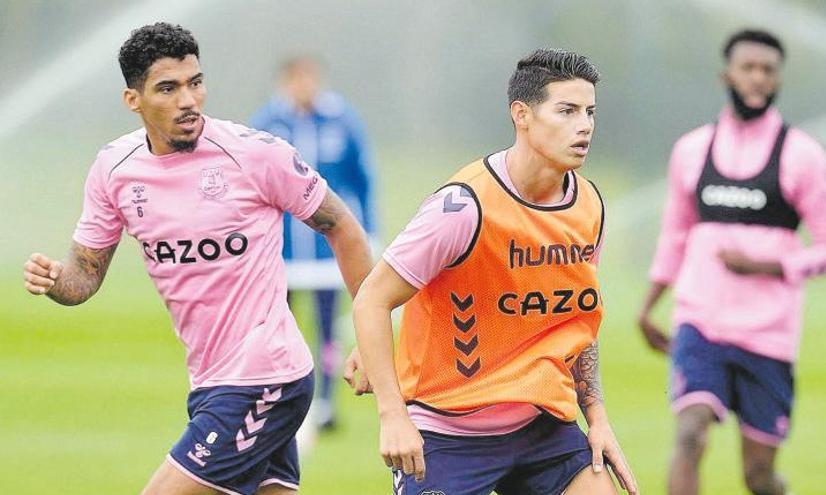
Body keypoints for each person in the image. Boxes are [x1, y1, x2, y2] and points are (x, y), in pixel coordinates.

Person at [21, 23, 372, 495]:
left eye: (195, 82)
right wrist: (56, 280)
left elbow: (342, 226)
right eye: (168, 88)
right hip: (210, 380)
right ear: (134, 100)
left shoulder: (254, 154)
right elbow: (84, 275)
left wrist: (371, 339)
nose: (188, 100)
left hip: (265, 376)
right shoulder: (114, 169)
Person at [351, 48, 638, 495]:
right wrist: (393, 416)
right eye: (566, 111)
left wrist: (597, 419)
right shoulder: (464, 208)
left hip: (541, 428)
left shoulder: (588, 205)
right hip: (448, 433)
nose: (585, 125)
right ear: (521, 115)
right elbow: (373, 298)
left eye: (590, 111)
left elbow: (577, 319)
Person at [637, 29, 826, 495]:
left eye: (767, 70)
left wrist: (768, 266)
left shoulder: (802, 156)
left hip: (767, 334)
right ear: (726, 74)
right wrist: (649, 305)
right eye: (748, 67)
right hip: (700, 321)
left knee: (757, 476)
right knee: (689, 434)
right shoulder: (691, 151)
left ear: (778, 80)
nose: (757, 78)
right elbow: (675, 235)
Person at [250, 56, 377, 431]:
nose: (304, 86)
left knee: (327, 329)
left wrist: (370, 232)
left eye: (310, 78)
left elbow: (362, 179)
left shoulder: (341, 119)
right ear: (285, 82)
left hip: (328, 252)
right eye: (296, 79)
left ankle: (325, 402)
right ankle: (279, 398)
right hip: (282, 250)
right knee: (278, 328)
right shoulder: (268, 122)